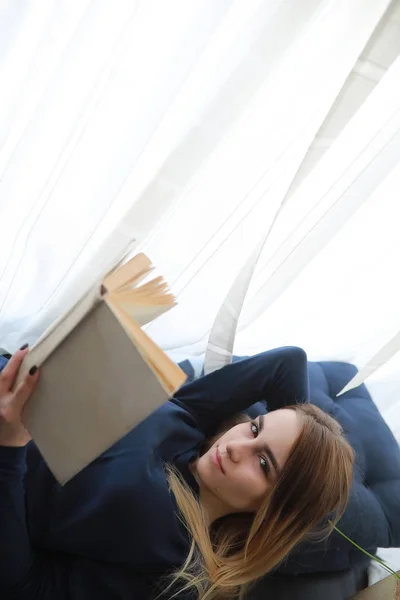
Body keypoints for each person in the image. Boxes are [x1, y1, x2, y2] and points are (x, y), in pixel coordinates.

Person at [0, 344, 354, 600]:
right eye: (255, 428)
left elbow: (24, 585)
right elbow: (289, 361)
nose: (234, 447)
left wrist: (9, 449)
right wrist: (305, 434)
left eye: (262, 464)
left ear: (273, 510)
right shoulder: (193, 425)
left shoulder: (175, 571)